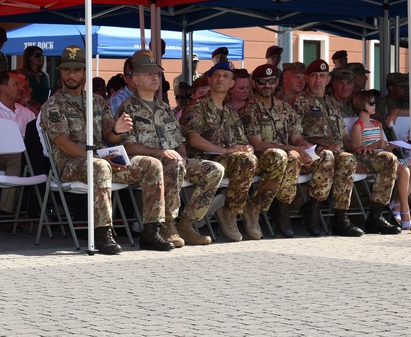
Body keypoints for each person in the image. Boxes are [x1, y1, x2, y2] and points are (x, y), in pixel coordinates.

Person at [39, 45, 174, 253]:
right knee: (100, 166)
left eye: (76, 70)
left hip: (102, 160)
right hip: (69, 164)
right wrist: (96, 157)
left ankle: (151, 231)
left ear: (85, 72)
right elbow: (63, 143)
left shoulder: (97, 101)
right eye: (67, 70)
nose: (71, 75)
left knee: (152, 164)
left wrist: (118, 131)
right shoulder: (54, 105)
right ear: (61, 72)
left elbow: (109, 135)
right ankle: (103, 233)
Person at [119, 50, 225, 247]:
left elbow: (179, 141)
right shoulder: (128, 108)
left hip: (173, 161)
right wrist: (161, 153)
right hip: (149, 164)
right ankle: (167, 224)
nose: (154, 77)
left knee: (214, 169)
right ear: (134, 79)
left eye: (156, 73)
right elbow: (128, 145)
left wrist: (182, 156)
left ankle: (187, 223)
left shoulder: (164, 108)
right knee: (173, 164)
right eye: (148, 73)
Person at [185, 62, 284, 241]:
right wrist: (225, 150)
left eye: (225, 76)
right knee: (246, 161)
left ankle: (254, 207)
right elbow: (194, 139)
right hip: (208, 161)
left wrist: (248, 148)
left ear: (232, 83)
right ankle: (230, 212)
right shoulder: (197, 106)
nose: (220, 79)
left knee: (277, 157)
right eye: (216, 75)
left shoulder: (231, 112)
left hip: (234, 161)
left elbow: (244, 142)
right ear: (209, 79)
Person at [241, 64, 328, 238]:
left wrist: (304, 146)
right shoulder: (250, 110)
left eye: (271, 81)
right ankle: (281, 210)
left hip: (288, 155)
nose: (267, 85)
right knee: (290, 156)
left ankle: (313, 209)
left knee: (326, 156)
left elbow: (295, 135)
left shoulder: (284, 107)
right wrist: (294, 149)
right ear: (254, 83)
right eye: (262, 82)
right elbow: (257, 144)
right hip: (265, 160)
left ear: (277, 82)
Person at [292, 59, 368, 237]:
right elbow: (296, 136)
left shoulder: (333, 103)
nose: (318, 80)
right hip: (313, 153)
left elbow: (344, 136)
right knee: (328, 156)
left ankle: (341, 218)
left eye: (322, 76)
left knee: (349, 158)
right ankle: (313, 211)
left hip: (336, 151)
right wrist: (324, 146)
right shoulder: (299, 102)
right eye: (314, 76)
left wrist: (356, 148)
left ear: (328, 80)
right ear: (307, 79)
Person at [347, 89, 411, 232]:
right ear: (361, 105)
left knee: (408, 169)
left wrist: (392, 145)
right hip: (371, 160)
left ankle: (401, 206)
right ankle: (403, 212)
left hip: (384, 157)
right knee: (403, 170)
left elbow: (384, 147)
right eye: (371, 102)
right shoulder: (358, 126)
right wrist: (376, 145)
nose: (374, 105)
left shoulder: (377, 123)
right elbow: (359, 150)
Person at [0, 70, 38, 214]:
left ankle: (36, 209)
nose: (20, 88)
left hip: (23, 155)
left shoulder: (26, 112)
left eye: (21, 84)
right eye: (16, 84)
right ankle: (6, 211)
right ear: (3, 88)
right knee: (16, 156)